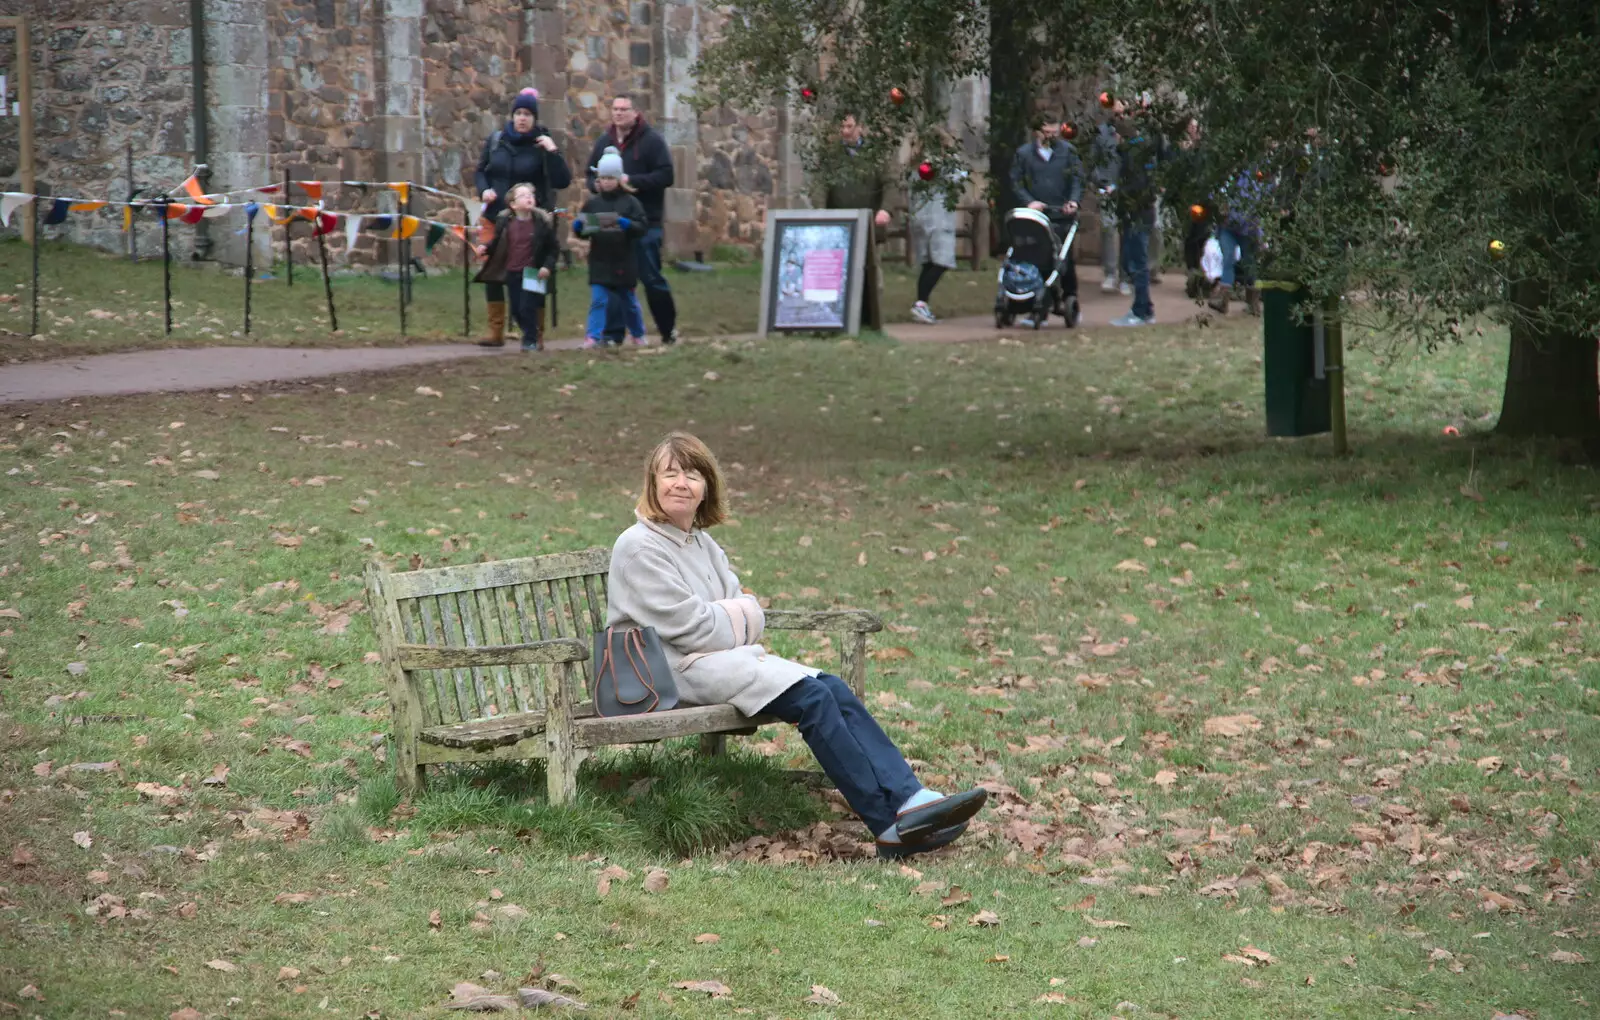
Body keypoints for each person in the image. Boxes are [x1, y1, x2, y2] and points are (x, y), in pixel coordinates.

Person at [605, 432, 989, 859]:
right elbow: (695, 625)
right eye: (670, 474)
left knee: (832, 689)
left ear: (706, 490)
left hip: (715, 660)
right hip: (669, 673)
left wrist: (734, 616)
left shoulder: (702, 543)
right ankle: (887, 826)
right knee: (812, 699)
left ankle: (912, 799)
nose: (681, 483)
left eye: (692, 476)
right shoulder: (639, 547)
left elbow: (738, 610)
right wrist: (739, 615)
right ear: (652, 484)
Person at [473, 88, 572, 348]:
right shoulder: (497, 141)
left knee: (531, 276)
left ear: (534, 118)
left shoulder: (542, 144)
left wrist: (553, 152)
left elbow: (562, 180)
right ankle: (496, 331)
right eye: (518, 113)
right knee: (493, 270)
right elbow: (481, 171)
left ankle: (534, 332)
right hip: (497, 217)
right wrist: (484, 190)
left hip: (531, 221)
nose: (522, 118)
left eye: (527, 114)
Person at [585, 94, 679, 345]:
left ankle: (667, 330)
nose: (618, 114)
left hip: (646, 221)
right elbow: (589, 172)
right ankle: (613, 335)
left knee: (651, 278)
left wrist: (632, 182)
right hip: (611, 224)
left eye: (624, 109)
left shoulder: (652, 141)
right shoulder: (604, 141)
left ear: (636, 113)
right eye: (615, 109)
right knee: (613, 279)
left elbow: (666, 175)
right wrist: (596, 186)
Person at [821, 114, 893, 330]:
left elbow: (890, 183)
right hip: (839, 225)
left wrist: (885, 210)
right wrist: (820, 212)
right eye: (842, 126)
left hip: (869, 224)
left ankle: (874, 321)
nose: (845, 131)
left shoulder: (876, 154)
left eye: (850, 126)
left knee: (872, 272)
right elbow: (821, 185)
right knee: (840, 272)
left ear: (860, 127)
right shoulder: (831, 156)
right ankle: (839, 319)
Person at [1008, 116, 1083, 325]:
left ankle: (1070, 297)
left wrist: (1074, 201)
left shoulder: (1068, 152)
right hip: (1036, 216)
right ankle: (1035, 307)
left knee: (1062, 261)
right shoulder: (1023, 154)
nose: (1050, 137)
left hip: (1060, 214)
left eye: (1054, 133)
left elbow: (1077, 179)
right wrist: (1029, 201)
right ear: (1036, 132)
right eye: (1046, 133)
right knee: (1035, 259)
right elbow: (1016, 181)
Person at [573, 147, 648, 347]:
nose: (606, 182)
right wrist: (579, 227)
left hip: (624, 260)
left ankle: (638, 334)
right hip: (600, 259)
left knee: (628, 302)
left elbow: (642, 227)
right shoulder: (593, 204)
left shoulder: (631, 203)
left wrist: (628, 225)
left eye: (610, 178)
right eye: (602, 178)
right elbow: (584, 230)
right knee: (598, 300)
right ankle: (593, 337)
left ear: (618, 179)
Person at [472, 183, 558, 352]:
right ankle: (529, 333)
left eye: (531, 195)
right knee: (517, 309)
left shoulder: (541, 222)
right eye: (523, 195)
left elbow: (553, 248)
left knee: (529, 306)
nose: (529, 198)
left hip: (533, 272)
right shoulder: (505, 221)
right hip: (512, 271)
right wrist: (485, 248)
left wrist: (547, 267)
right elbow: (497, 241)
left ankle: (530, 340)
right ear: (513, 204)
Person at [1109, 109, 1166, 327]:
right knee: (1133, 261)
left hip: (1137, 215)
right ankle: (1145, 308)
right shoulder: (1141, 152)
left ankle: (1140, 311)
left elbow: (1136, 186)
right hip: (1141, 213)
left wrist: (1116, 193)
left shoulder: (1132, 156)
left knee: (1137, 263)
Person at [908, 143, 967, 325]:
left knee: (928, 263)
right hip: (938, 218)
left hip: (919, 218)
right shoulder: (944, 167)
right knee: (942, 261)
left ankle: (921, 304)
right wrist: (952, 159)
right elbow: (960, 177)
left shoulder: (913, 166)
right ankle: (920, 304)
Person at [1090, 106, 1125, 295]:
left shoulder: (1136, 133)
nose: (1119, 116)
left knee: (1129, 231)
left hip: (1130, 189)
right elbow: (1092, 161)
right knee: (1109, 228)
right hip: (1107, 189)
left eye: (1123, 113)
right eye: (1117, 113)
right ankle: (1111, 273)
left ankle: (1127, 275)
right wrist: (1102, 183)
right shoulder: (1101, 133)